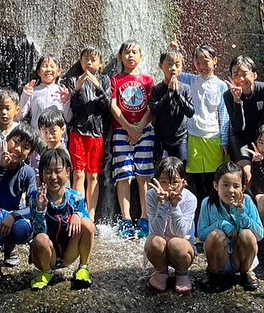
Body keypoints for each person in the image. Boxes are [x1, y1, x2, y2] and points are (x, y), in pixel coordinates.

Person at [0, 124, 41, 286]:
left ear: (30, 154)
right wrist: (1, 168)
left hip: (14, 220)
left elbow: (34, 205)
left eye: (25, 147)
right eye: (15, 142)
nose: (18, 149)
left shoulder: (28, 172)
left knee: (21, 230)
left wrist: (14, 215)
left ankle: (9, 245)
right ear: (6, 141)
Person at [28, 146, 95, 290]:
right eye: (48, 172)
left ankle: (83, 267)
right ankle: (46, 272)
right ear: (41, 175)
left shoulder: (76, 198)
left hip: (68, 253)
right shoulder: (35, 198)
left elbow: (88, 223)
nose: (53, 177)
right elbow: (38, 231)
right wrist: (41, 210)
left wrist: (78, 214)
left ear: (67, 173)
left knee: (87, 224)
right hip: (45, 254)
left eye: (58, 171)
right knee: (40, 239)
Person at [110, 40, 155, 238]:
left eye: (135, 52)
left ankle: (145, 217)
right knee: (123, 174)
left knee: (143, 175)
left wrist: (139, 128)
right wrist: (129, 128)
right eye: (126, 53)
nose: (130, 56)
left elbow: (152, 108)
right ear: (120, 57)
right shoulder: (115, 79)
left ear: (141, 57)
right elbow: (113, 105)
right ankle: (126, 218)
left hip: (144, 130)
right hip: (122, 130)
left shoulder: (147, 80)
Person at [197, 161, 264, 290]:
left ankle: (246, 271)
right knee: (216, 235)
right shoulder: (208, 203)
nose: (231, 190)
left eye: (236, 186)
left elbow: (260, 235)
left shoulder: (248, 201)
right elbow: (202, 234)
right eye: (225, 185)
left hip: (241, 256)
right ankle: (213, 272)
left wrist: (241, 214)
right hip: (221, 258)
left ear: (243, 188)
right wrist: (222, 224)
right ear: (216, 186)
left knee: (247, 235)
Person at [179, 44, 228, 217]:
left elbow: (224, 115)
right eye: (198, 62)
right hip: (194, 138)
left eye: (206, 61)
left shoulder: (222, 86)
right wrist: (176, 51)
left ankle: (216, 218)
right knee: (198, 185)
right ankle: (200, 225)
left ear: (215, 61)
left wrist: (224, 141)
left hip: (214, 138)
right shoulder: (190, 80)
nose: (202, 66)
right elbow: (173, 70)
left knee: (214, 183)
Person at [66, 46, 111, 215]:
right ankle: (79, 211)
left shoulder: (105, 80)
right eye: (86, 59)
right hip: (78, 132)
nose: (89, 63)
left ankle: (90, 215)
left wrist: (98, 87)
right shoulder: (73, 81)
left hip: (97, 133)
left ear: (100, 64)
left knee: (93, 176)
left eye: (93, 60)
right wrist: (77, 89)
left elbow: (107, 106)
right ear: (81, 61)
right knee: (78, 174)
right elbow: (72, 108)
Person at [144, 157, 197, 294]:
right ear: (156, 181)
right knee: (154, 241)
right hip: (160, 248)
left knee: (176, 243)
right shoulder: (151, 195)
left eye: (174, 182)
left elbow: (181, 233)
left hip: (181, 249)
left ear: (183, 182)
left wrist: (174, 206)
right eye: (164, 182)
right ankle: (161, 272)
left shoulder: (190, 198)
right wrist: (162, 204)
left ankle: (182, 273)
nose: (169, 187)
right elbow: (155, 230)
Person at [222, 55, 264, 185]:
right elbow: (238, 127)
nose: (240, 79)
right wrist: (237, 100)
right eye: (235, 74)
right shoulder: (228, 95)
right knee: (246, 173)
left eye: (244, 74)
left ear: (254, 75)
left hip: (261, 135)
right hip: (239, 137)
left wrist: (261, 146)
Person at [150, 44, 194, 169]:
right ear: (160, 66)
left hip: (181, 139)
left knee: (181, 171)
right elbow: (154, 111)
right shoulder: (157, 89)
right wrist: (168, 93)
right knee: (162, 170)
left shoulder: (185, 88)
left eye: (177, 64)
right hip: (162, 139)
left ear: (181, 67)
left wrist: (177, 93)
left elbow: (190, 112)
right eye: (169, 64)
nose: (173, 68)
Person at [19, 55, 71, 131]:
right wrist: (25, 96)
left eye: (52, 66)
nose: (48, 69)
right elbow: (20, 116)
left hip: (57, 139)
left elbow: (69, 118)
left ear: (59, 72)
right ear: (38, 72)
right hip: (38, 138)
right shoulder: (32, 91)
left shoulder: (63, 92)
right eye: (45, 66)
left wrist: (65, 102)